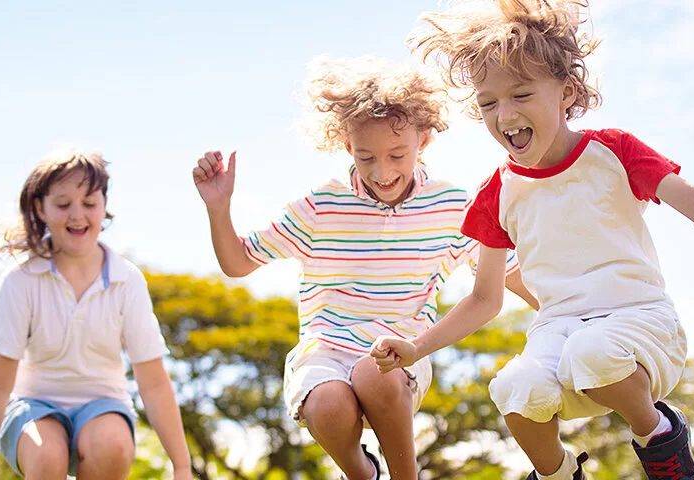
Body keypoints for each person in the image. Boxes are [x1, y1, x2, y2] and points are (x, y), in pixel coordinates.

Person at [370, 2, 694, 479]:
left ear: (568, 91)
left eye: (521, 94)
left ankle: (661, 439)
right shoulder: (495, 194)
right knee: (516, 388)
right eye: (489, 102)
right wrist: (416, 347)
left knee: (593, 351)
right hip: (558, 333)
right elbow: (483, 298)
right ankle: (560, 474)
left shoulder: (613, 151)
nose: (505, 115)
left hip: (639, 323)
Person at [191, 56, 538, 480]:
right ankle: (363, 473)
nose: (382, 170)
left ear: (423, 139)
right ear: (346, 146)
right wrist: (219, 207)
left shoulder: (451, 207)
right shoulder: (320, 206)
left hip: (402, 351)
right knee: (328, 406)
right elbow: (238, 262)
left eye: (397, 154)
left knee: (373, 374)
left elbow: (510, 276)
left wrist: (575, 315)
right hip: (327, 348)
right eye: (366, 156)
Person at [0, 148, 193, 480]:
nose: (77, 215)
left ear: (104, 206)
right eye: (63, 204)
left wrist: (182, 467)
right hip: (32, 405)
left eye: (89, 203)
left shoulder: (126, 280)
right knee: (48, 456)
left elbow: (154, 382)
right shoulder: (20, 281)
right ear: (40, 208)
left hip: (105, 404)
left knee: (112, 446)